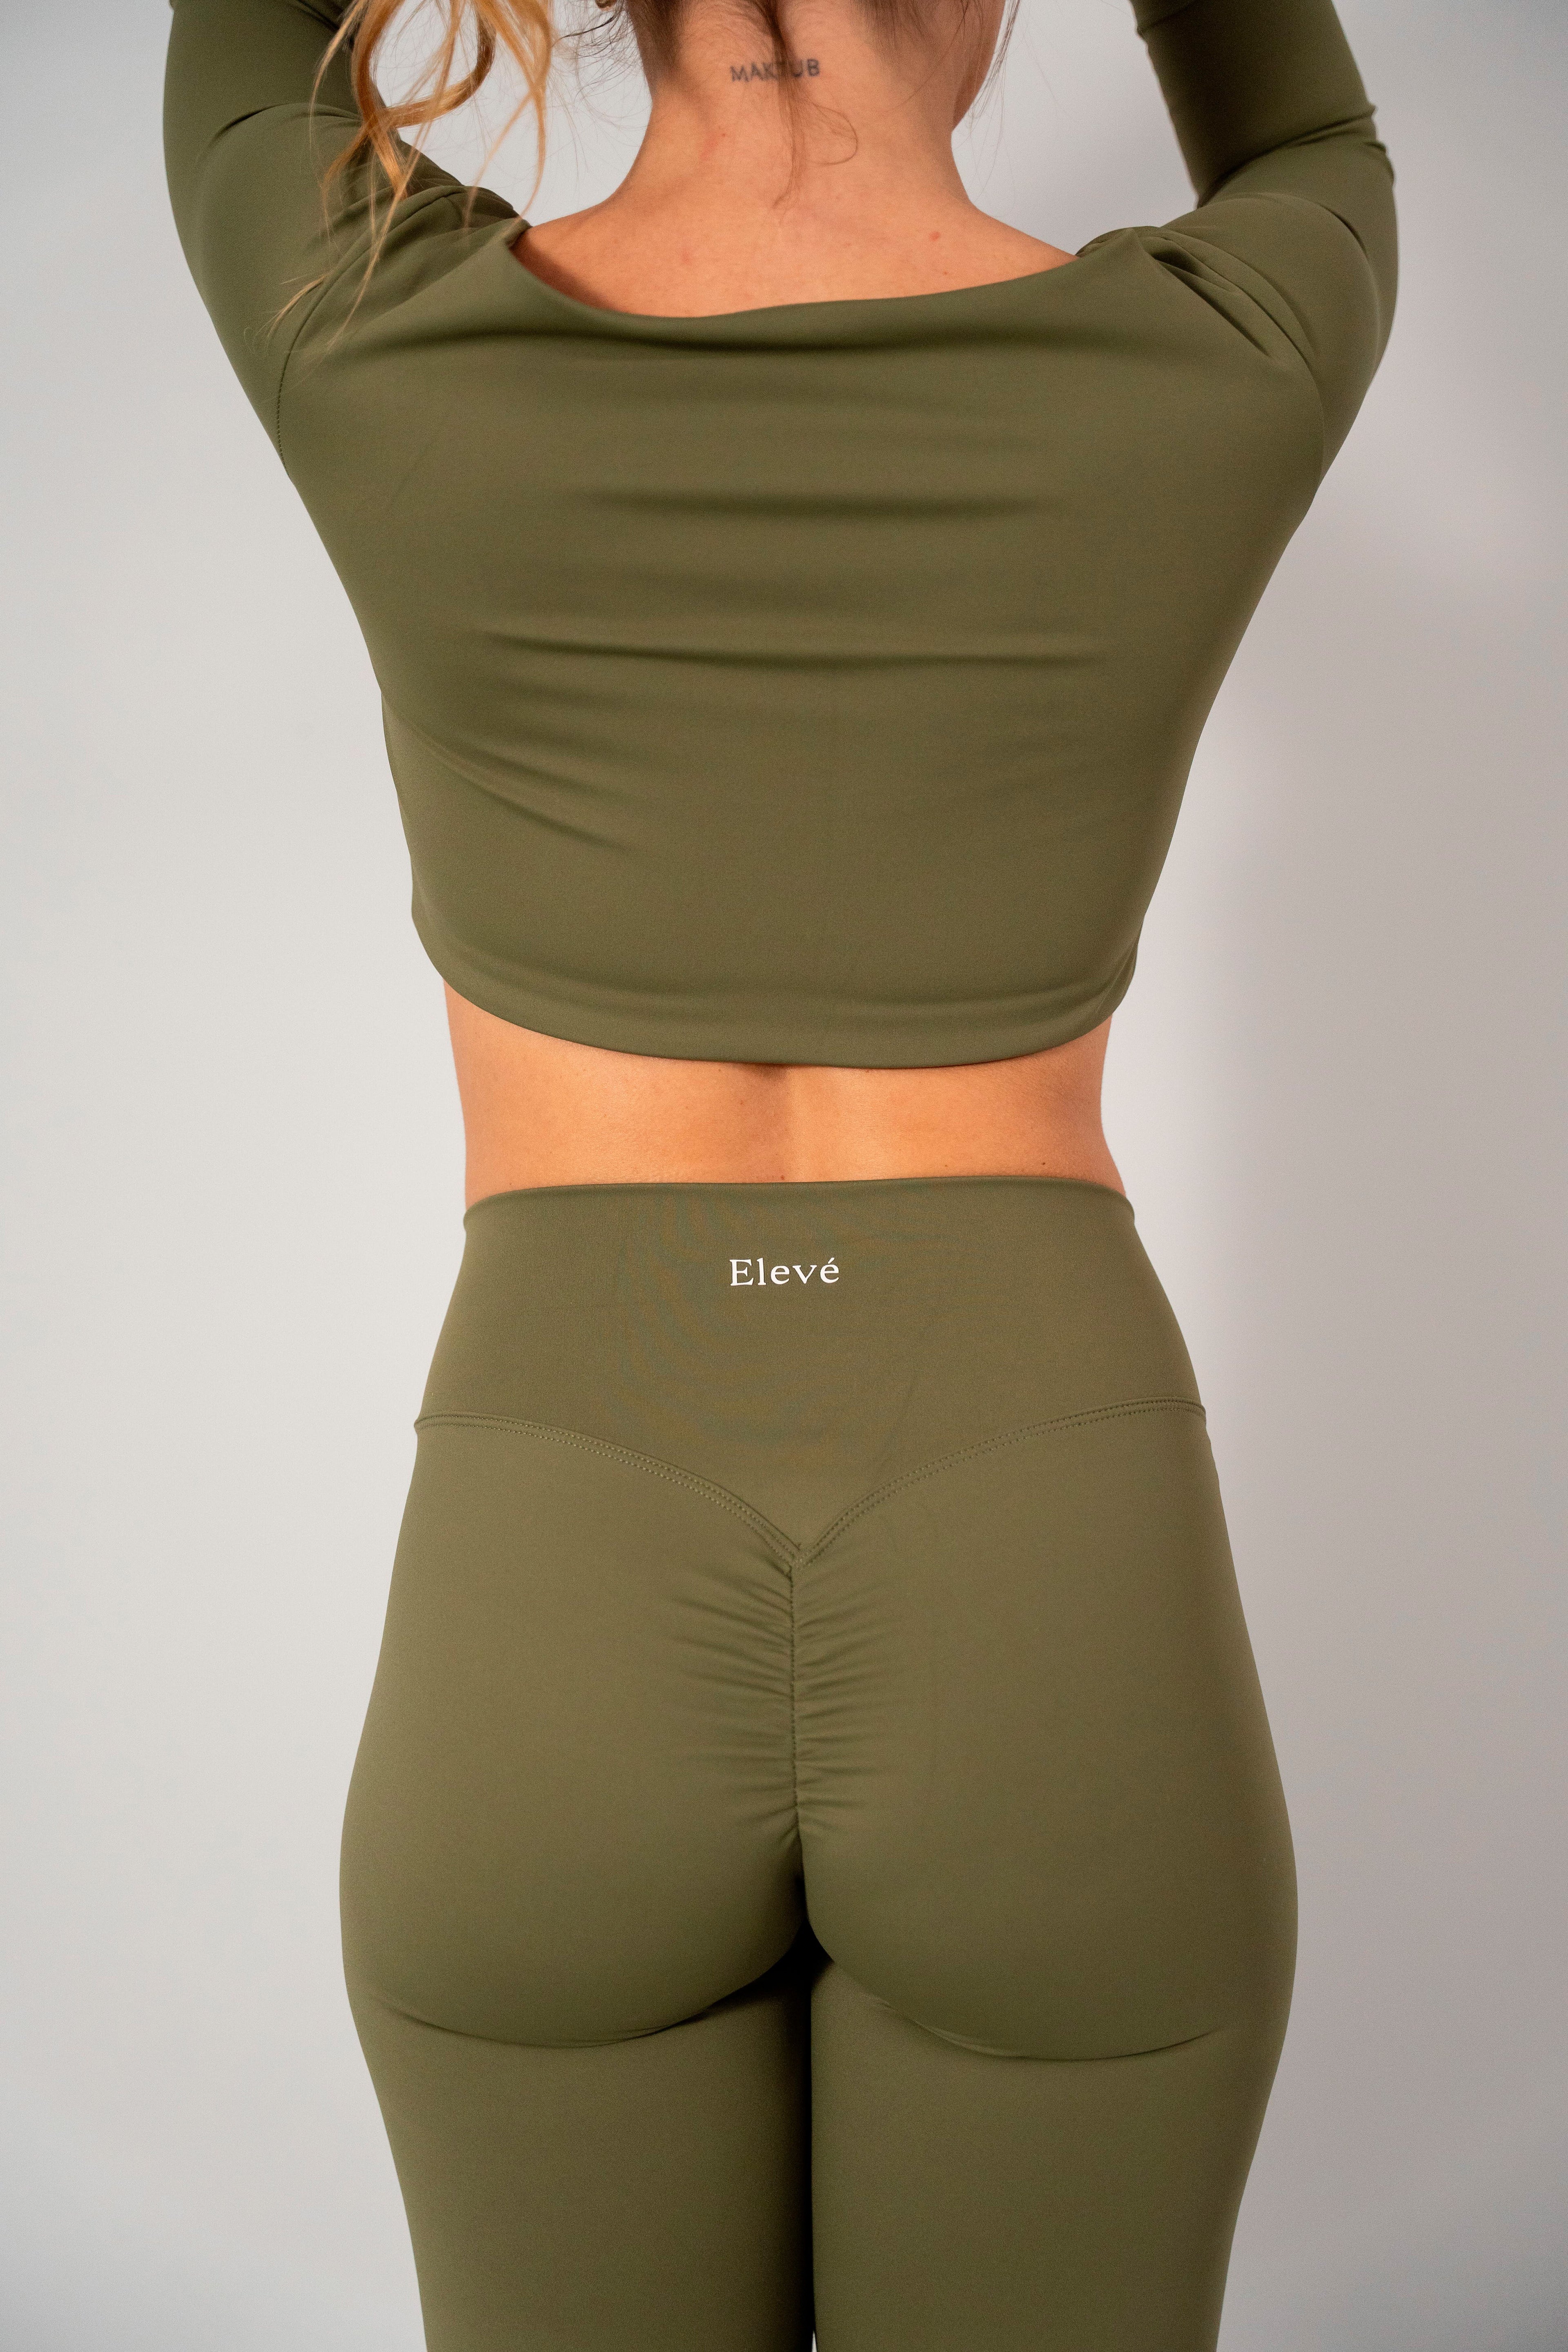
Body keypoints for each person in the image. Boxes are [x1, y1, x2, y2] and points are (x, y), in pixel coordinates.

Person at [163, 0, 1396, 2342]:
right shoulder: (1217, 353)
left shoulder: (379, 334)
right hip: (1043, 1536)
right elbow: (1305, 115)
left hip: (556, 1538)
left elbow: (239, 56)